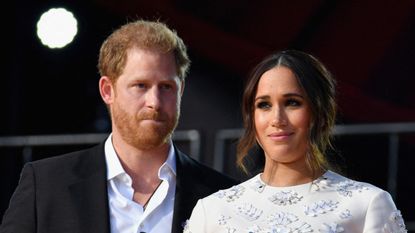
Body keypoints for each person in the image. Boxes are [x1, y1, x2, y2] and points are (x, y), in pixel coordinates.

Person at [0, 19, 237, 233]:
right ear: (107, 90)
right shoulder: (46, 185)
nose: (154, 102)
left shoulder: (222, 195)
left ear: (181, 90)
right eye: (140, 85)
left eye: (166, 87)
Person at [183, 50, 407, 233]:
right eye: (264, 105)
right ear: (251, 117)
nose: (277, 119)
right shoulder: (213, 210)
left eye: (292, 103)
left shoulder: (367, 205)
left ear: (320, 113)